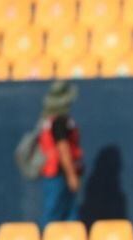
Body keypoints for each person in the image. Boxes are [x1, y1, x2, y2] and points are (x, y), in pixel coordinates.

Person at [37, 82, 83, 227]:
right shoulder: (59, 122)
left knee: (69, 213)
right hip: (58, 175)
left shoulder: (49, 121)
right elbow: (63, 149)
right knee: (55, 213)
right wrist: (71, 175)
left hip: (56, 175)